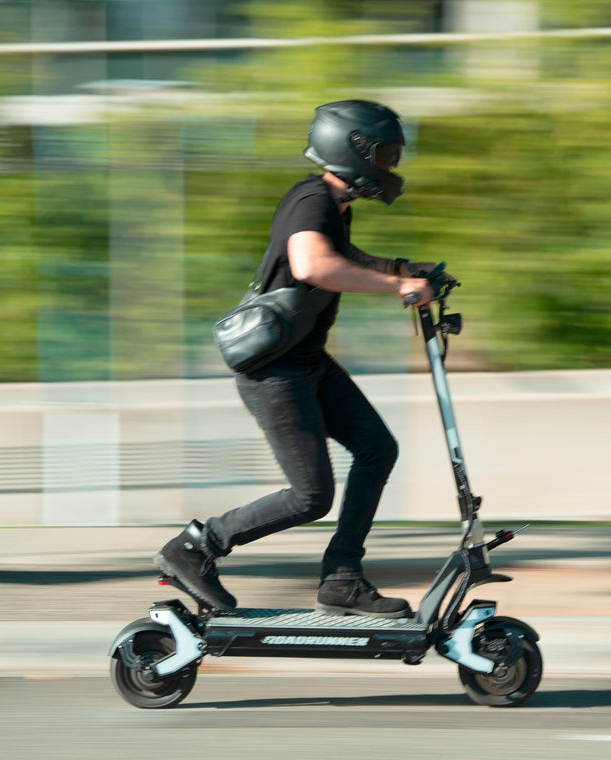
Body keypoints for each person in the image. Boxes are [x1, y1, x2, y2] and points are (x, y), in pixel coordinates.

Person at [155, 99, 439, 619]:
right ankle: (196, 547)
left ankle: (342, 580)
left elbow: (345, 260)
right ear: (354, 150)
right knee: (311, 496)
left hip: (306, 361)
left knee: (377, 449)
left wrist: (404, 268)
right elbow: (313, 264)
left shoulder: (334, 206)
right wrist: (398, 284)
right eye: (386, 154)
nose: (391, 166)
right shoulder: (312, 198)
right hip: (275, 372)